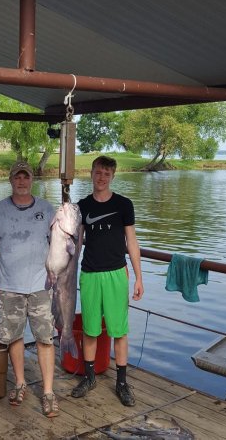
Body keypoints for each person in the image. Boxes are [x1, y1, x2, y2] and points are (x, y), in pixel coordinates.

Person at [0, 161, 59, 417]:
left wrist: (60, 273)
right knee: (14, 337)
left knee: (45, 339)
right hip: (8, 287)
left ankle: (48, 392)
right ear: (10, 180)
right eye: (17, 177)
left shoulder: (47, 209)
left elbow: (62, 244)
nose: (22, 181)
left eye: (26, 177)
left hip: (42, 287)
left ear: (32, 180)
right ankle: (21, 383)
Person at [71, 156, 144, 406]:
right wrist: (66, 273)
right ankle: (89, 377)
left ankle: (122, 383)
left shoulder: (124, 204)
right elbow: (76, 243)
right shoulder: (81, 206)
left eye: (106, 173)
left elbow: (132, 243)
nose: (101, 177)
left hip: (116, 273)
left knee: (119, 330)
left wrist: (138, 278)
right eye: (97, 172)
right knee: (90, 329)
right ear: (90, 173)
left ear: (113, 176)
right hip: (90, 274)